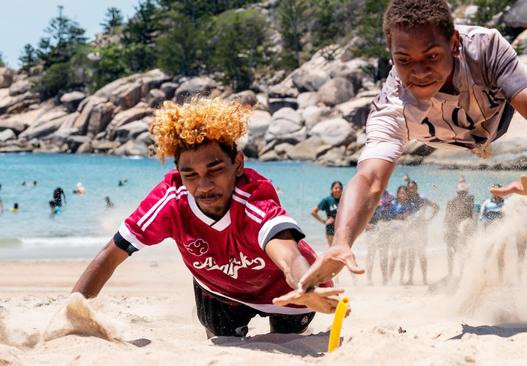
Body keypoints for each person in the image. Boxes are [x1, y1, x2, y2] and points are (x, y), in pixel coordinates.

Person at [279, 0, 527, 296]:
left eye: (432, 56)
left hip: (493, 121)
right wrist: (341, 240)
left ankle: (481, 146)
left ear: (454, 43)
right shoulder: (391, 106)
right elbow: (370, 181)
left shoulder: (485, 47)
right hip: (441, 137)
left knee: (511, 108)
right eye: (404, 60)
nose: (420, 71)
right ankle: (475, 144)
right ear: (391, 56)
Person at [72, 97, 342, 339]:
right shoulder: (171, 202)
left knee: (286, 339)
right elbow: (111, 254)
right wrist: (72, 315)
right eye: (190, 175)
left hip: (285, 291)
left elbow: (287, 253)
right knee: (221, 340)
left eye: (215, 169)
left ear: (237, 164)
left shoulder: (253, 200)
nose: (204, 185)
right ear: (178, 173)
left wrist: (307, 286)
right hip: (220, 291)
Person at [443, 177, 474, 277]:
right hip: (452, 231)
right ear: (457, 193)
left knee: (462, 253)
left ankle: (461, 274)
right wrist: (446, 231)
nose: (462, 195)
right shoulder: (451, 202)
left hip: (463, 232)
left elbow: (471, 218)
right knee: (450, 253)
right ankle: (450, 274)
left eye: (464, 193)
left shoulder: (470, 201)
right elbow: (447, 218)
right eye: (460, 193)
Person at [365, 190, 396, 285]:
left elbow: (396, 210)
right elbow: (362, 211)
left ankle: (385, 279)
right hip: (371, 230)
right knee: (371, 255)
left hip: (385, 230)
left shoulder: (391, 196)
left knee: (384, 256)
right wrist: (365, 224)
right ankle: (369, 279)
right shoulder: (369, 195)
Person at [479, 185, 506, 283]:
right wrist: (491, 222)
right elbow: (481, 218)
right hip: (489, 233)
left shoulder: (506, 203)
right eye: (494, 190)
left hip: (501, 234)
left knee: (501, 256)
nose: (496, 192)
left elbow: (509, 217)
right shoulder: (486, 203)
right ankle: (484, 278)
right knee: (487, 255)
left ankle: (501, 279)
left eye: (498, 190)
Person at [310, 181, 343, 246]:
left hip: (342, 226)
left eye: (340, 188)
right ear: (332, 189)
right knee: (332, 247)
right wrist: (323, 221)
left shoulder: (344, 199)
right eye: (336, 188)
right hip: (331, 226)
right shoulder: (327, 200)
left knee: (341, 246)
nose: (338, 190)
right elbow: (313, 212)